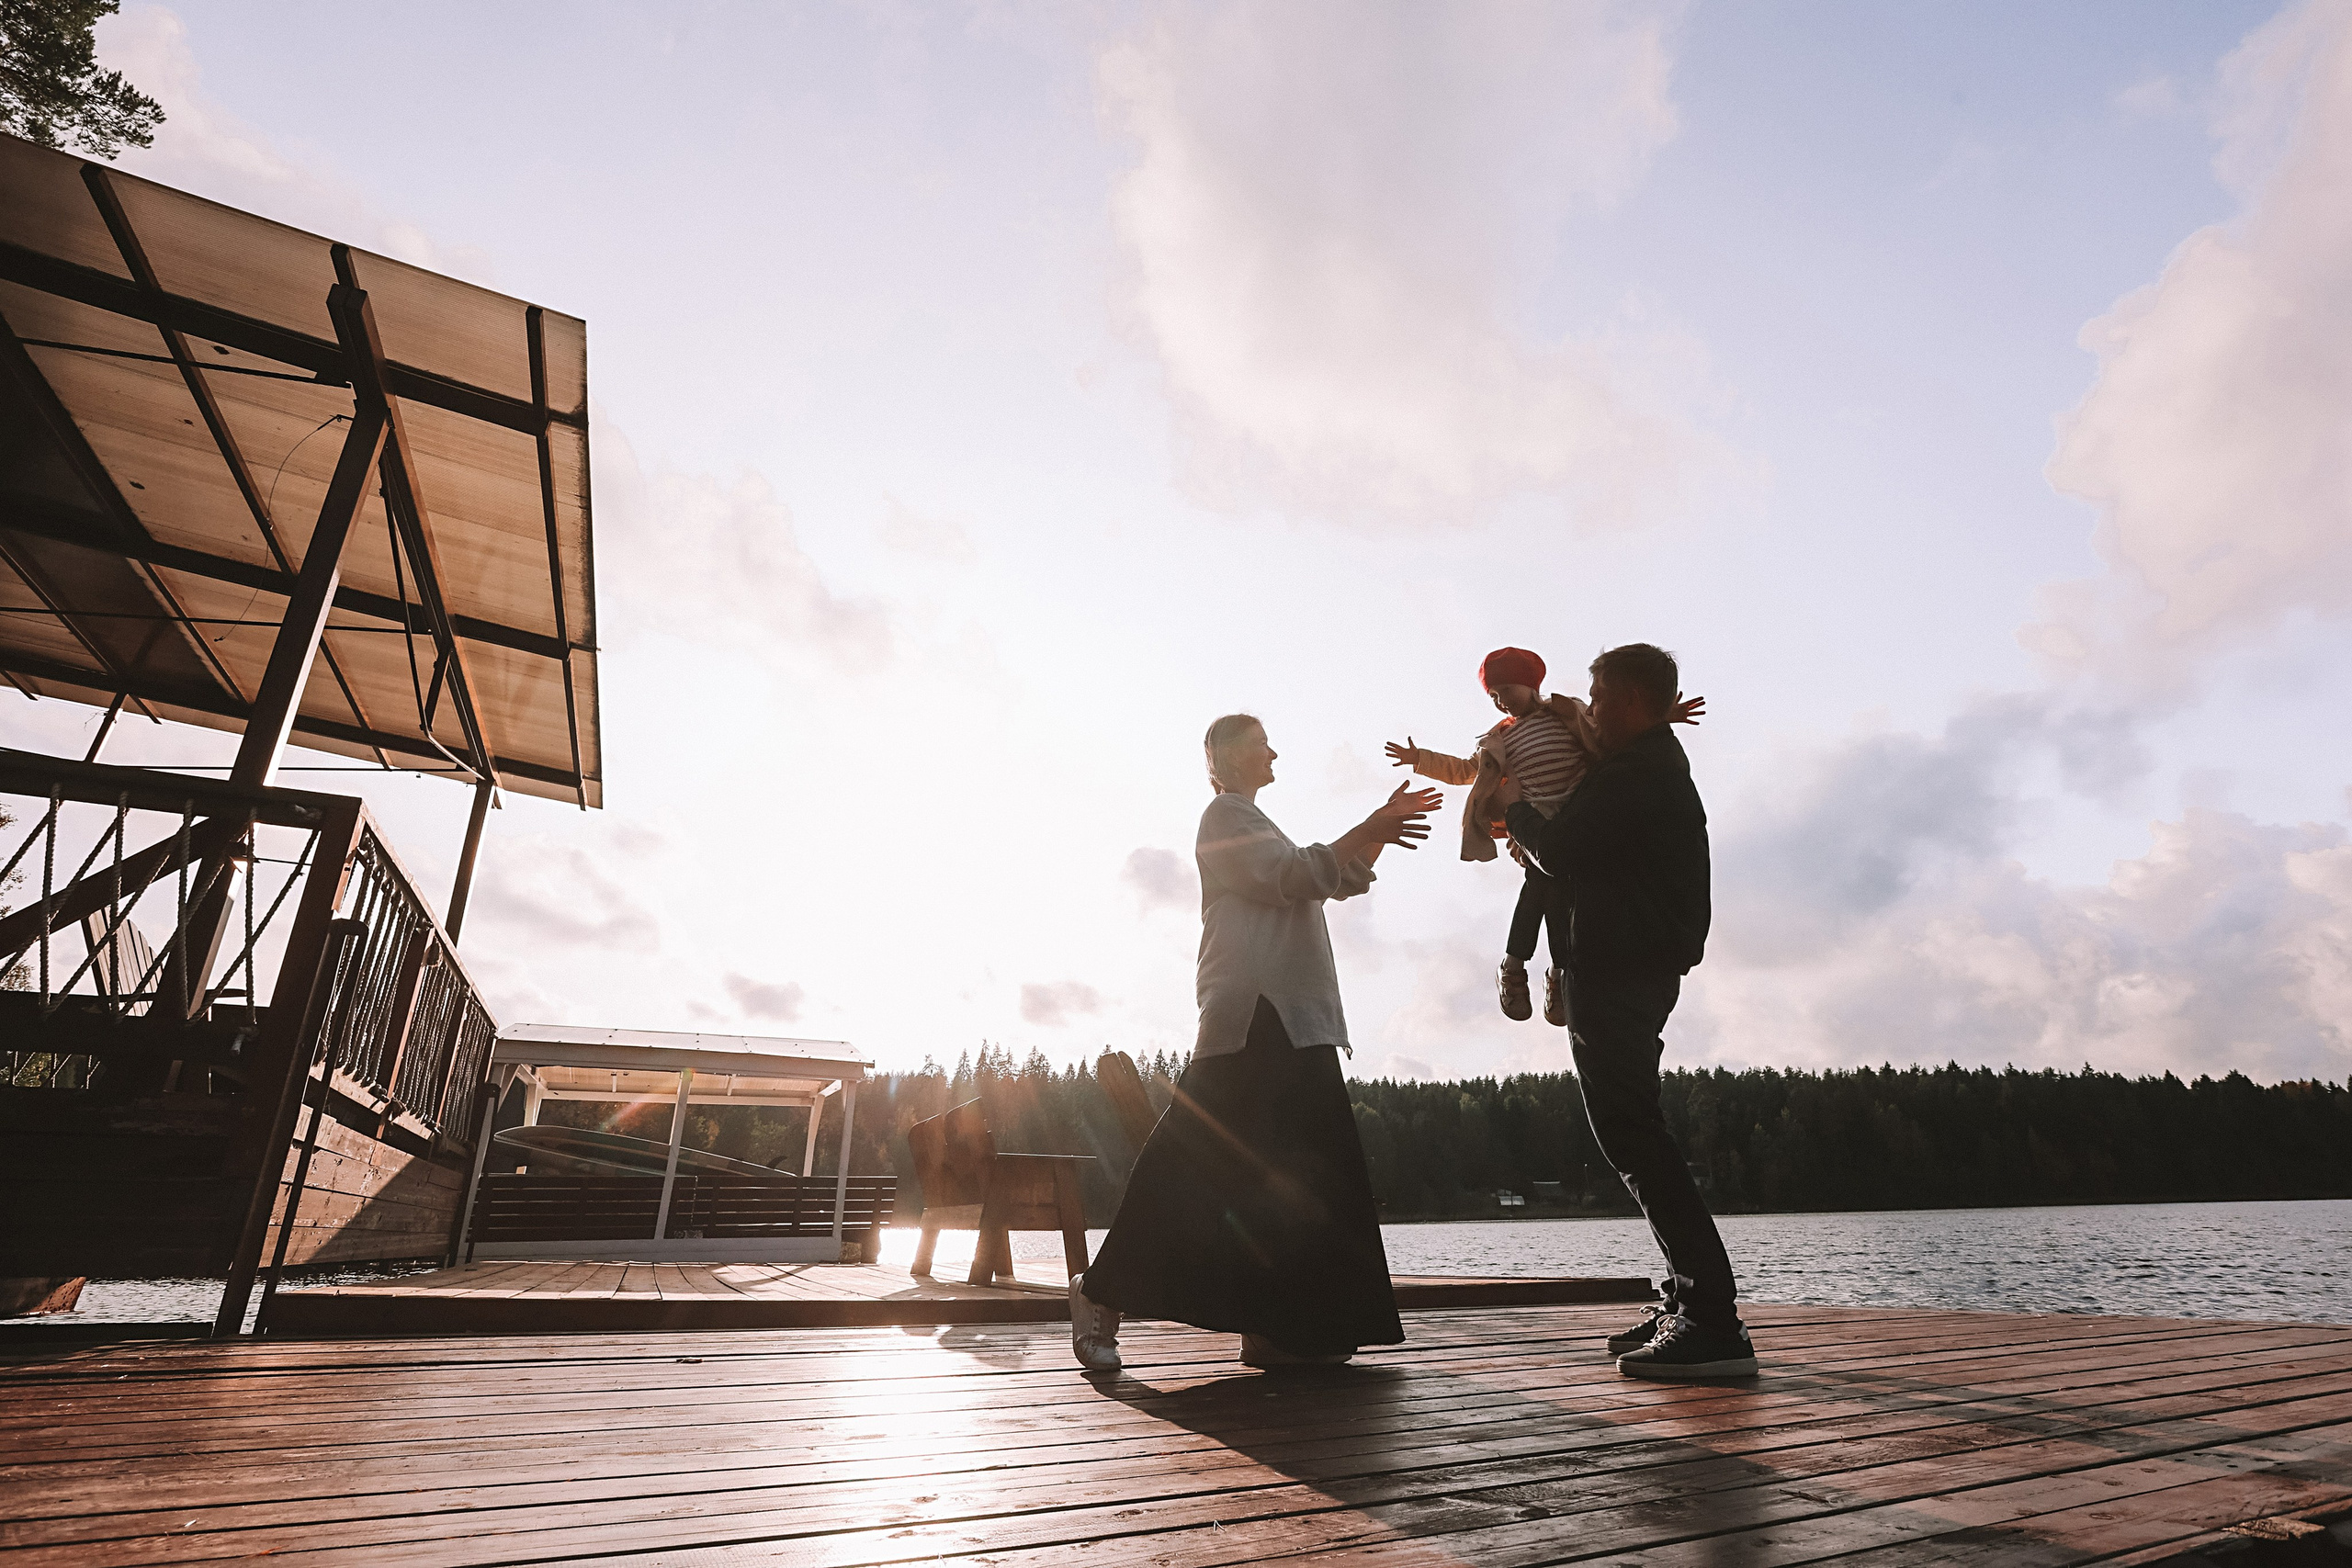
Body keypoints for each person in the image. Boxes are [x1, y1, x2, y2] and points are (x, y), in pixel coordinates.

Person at [1069, 714, 1442, 1372]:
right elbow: (1296, 875)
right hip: (1250, 1017)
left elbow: (1334, 878)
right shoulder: (1224, 818)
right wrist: (1371, 828)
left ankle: (1277, 1328)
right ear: (1230, 754)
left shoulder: (1261, 824)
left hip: (1298, 1021)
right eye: (1263, 741)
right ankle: (1097, 1296)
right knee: (1189, 1165)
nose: (1275, 750)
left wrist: (1378, 830)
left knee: (1297, 1185)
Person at [1499, 643, 1756, 1380]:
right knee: (1634, 1132)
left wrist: (1511, 807)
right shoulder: (1639, 767)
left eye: (1601, 694)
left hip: (1620, 967)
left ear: (1637, 701)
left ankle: (1712, 1319)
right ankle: (1688, 1297)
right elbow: (1579, 850)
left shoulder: (1638, 771)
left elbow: (1562, 845)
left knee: (1633, 1132)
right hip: (1627, 963)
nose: (1592, 706)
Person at [1385, 647, 1702, 1030]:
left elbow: (1610, 728)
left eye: (1504, 689)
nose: (1499, 700)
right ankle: (1515, 965)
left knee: (1562, 896)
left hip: (1577, 811)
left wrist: (1662, 715)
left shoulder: (1564, 713)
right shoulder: (1497, 739)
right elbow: (1463, 770)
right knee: (1538, 888)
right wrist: (1420, 758)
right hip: (1536, 819)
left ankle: (1558, 972)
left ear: (1530, 684)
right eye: (1493, 696)